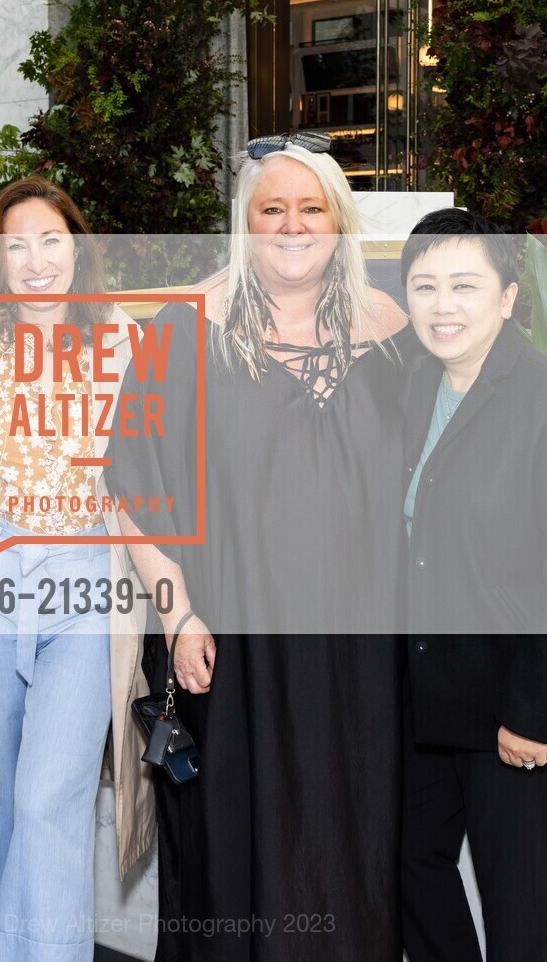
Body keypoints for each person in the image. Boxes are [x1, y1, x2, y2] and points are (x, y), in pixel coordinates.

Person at [108, 133, 412, 961]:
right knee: (235, 850)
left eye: (310, 207)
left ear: (340, 221)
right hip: (229, 650)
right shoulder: (184, 329)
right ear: (244, 224)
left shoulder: (392, 331)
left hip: (361, 658)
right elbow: (134, 490)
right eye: (271, 208)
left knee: (354, 849)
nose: (291, 224)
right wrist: (177, 617)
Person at [0, 178, 154, 960]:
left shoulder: (125, 343)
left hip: (86, 582)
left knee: (49, 792)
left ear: (77, 250)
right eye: (16, 245)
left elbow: (159, 464)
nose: (36, 260)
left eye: (51, 241)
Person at [395, 208, 547, 962]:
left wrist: (533, 715)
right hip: (433, 695)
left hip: (516, 708)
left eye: (464, 284)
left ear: (506, 296)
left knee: (518, 901)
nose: (443, 304)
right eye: (425, 285)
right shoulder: (411, 392)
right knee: (405, 859)